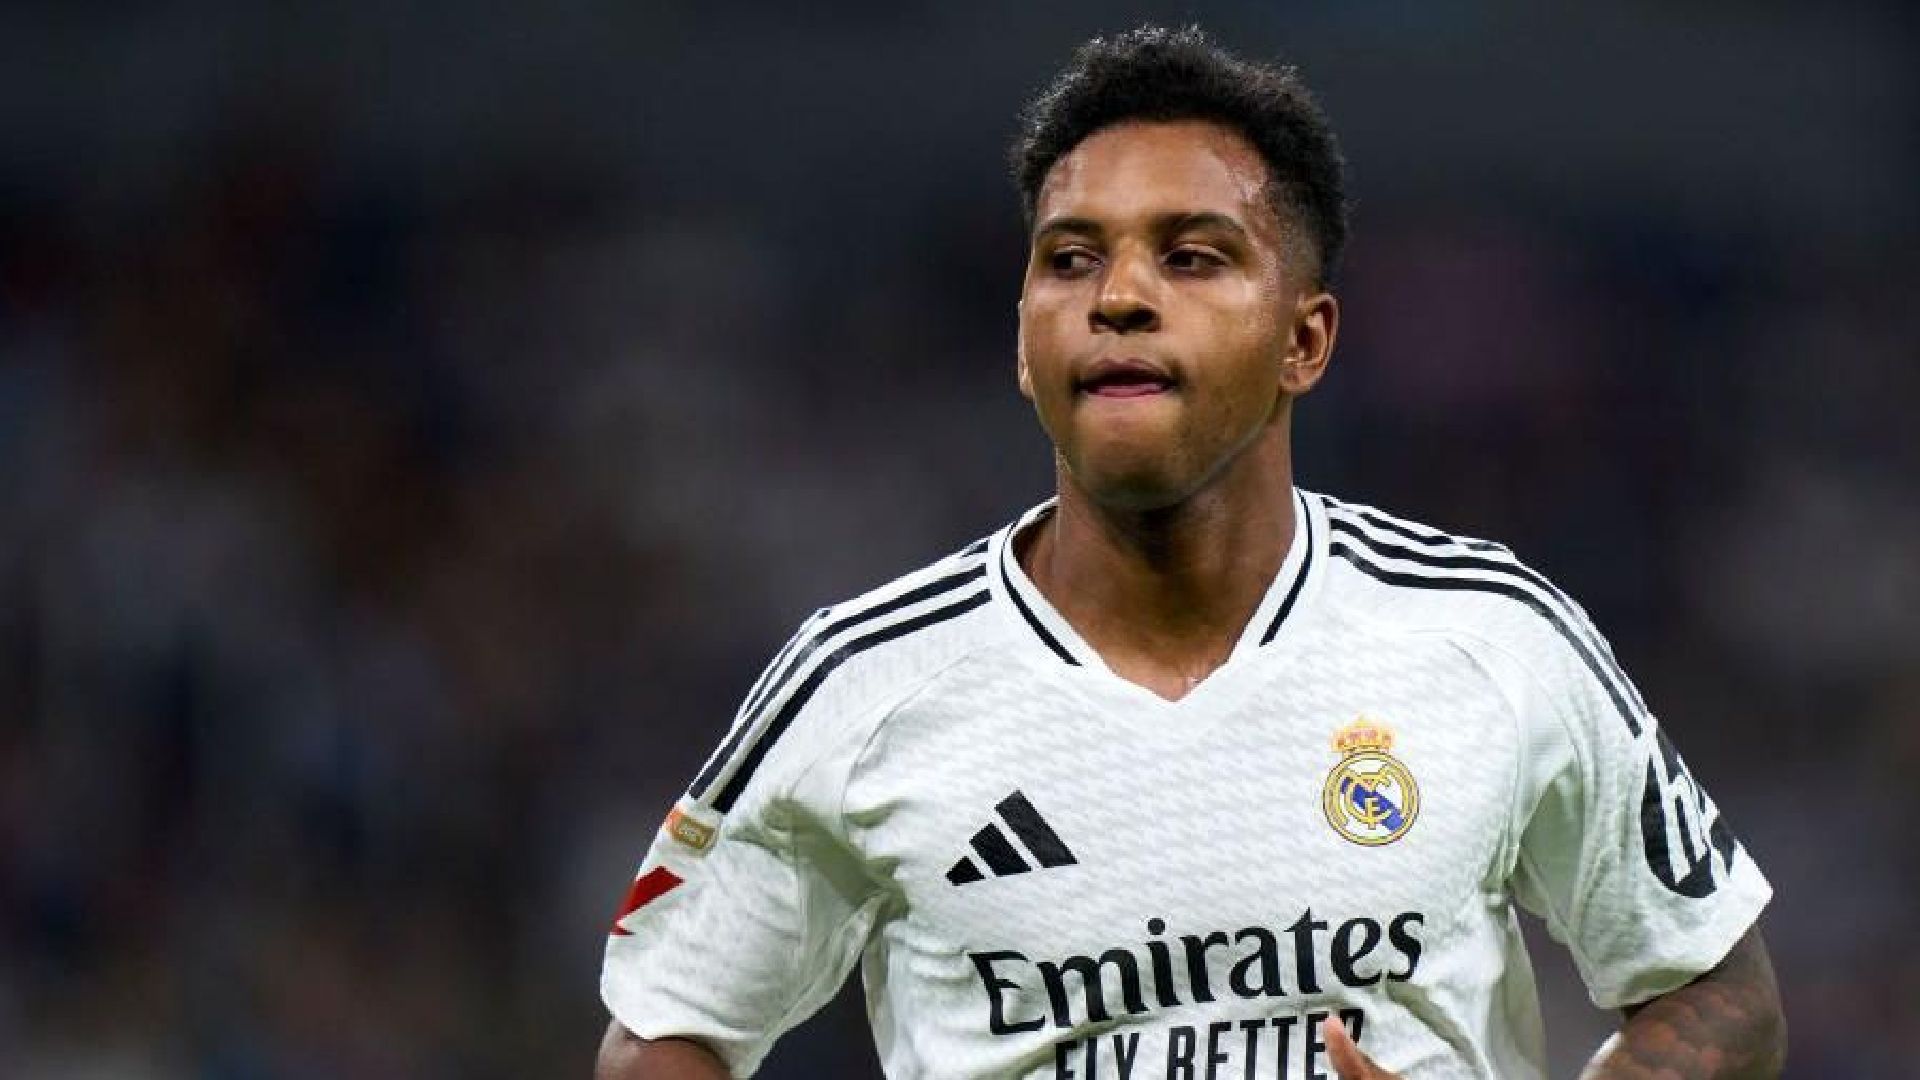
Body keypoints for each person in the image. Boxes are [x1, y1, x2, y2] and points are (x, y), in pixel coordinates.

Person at [594, 25, 1784, 1080]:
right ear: (1023, 343)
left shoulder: (1488, 637)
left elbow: (1718, 994)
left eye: (1192, 256)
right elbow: (664, 1032)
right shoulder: (867, 682)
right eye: (1070, 259)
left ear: (1304, 341)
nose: (1118, 296)